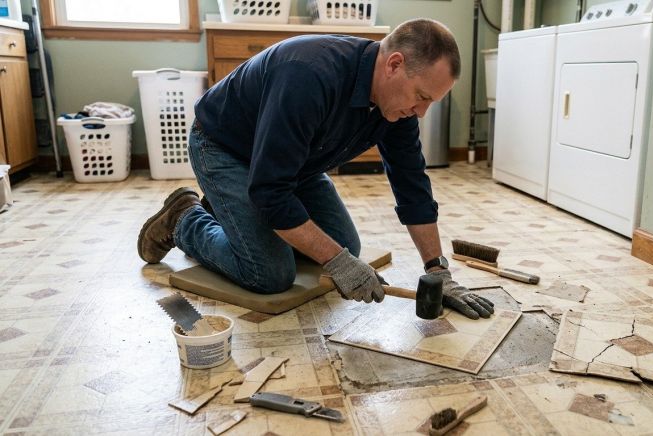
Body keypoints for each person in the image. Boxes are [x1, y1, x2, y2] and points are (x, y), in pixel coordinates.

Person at [137, 18, 494, 319]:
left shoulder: (398, 106)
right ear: (394, 64)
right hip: (223, 148)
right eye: (422, 97)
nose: (422, 112)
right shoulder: (309, 75)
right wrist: (335, 260)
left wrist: (437, 269)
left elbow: (412, 184)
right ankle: (185, 218)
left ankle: (233, 214)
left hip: (293, 164)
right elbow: (271, 192)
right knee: (270, 274)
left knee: (346, 246)